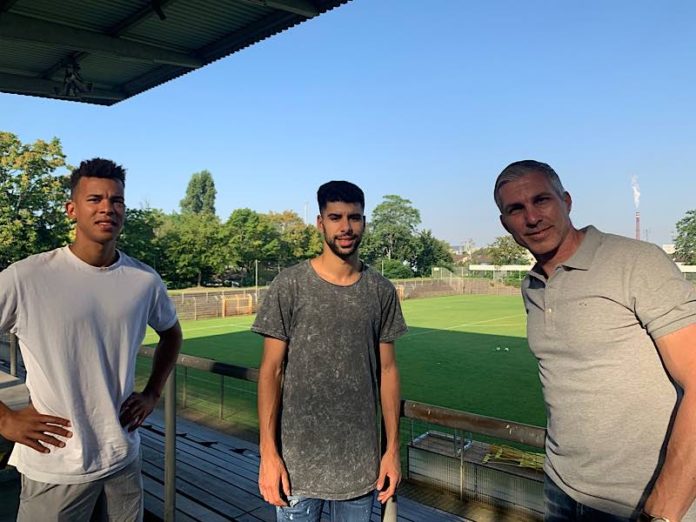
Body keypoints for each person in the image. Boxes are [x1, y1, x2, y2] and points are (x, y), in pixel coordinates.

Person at [494, 160, 696, 522]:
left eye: (542, 200)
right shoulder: (532, 287)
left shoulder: (636, 261)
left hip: (640, 503)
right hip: (562, 491)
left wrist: (664, 511)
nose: (532, 217)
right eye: (516, 209)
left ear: (566, 201)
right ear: (505, 222)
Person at [0, 158, 182, 521]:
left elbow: (172, 334)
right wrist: (4, 419)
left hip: (123, 458)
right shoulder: (26, 277)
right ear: (72, 209)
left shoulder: (143, 280)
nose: (107, 208)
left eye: (116, 201)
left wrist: (151, 394)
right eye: (94, 199)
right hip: (56, 463)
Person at [252, 180, 407, 522]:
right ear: (320, 223)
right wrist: (268, 453)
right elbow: (271, 371)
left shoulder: (380, 291)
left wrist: (392, 451)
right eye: (335, 217)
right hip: (296, 471)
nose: (346, 227)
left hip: (361, 471)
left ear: (364, 222)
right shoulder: (289, 285)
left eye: (354, 217)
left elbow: (389, 372)